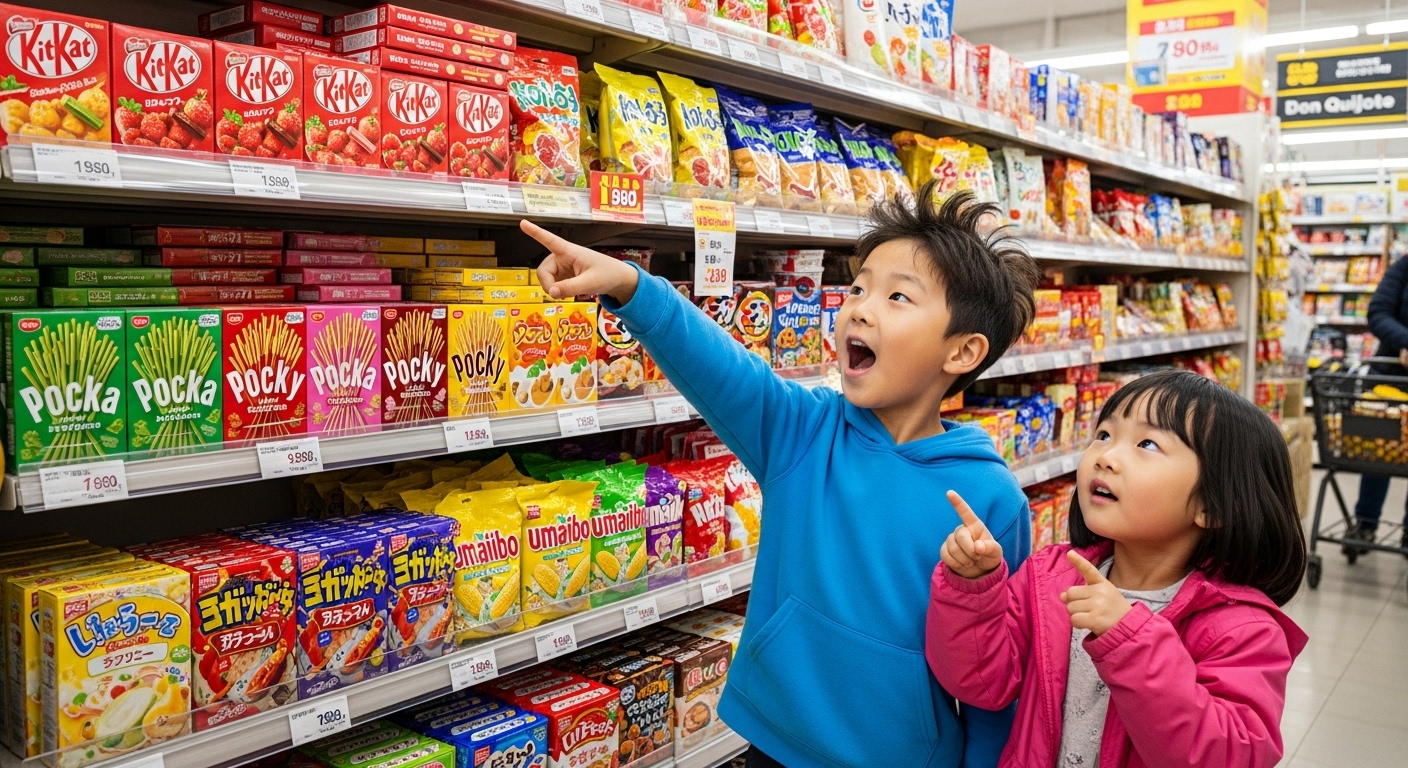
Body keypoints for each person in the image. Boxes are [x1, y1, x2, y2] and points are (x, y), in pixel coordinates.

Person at [523, 182, 1042, 768]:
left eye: (898, 297)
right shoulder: (803, 432)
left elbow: (997, 677)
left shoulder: (989, 499)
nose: (860, 308)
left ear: (963, 352)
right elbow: (721, 367)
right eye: (859, 287)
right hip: (774, 739)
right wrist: (630, 286)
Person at [926, 370, 1308, 768]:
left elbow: (1229, 755)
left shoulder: (1242, 630)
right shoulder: (1052, 577)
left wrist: (1131, 641)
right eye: (1104, 435)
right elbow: (980, 682)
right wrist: (973, 588)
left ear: (1211, 506)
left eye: (1147, 443)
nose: (1105, 457)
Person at [1348, 254, 1408, 554]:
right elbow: (1378, 312)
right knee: (1377, 453)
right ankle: (1366, 523)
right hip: (1389, 379)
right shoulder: (1404, 267)